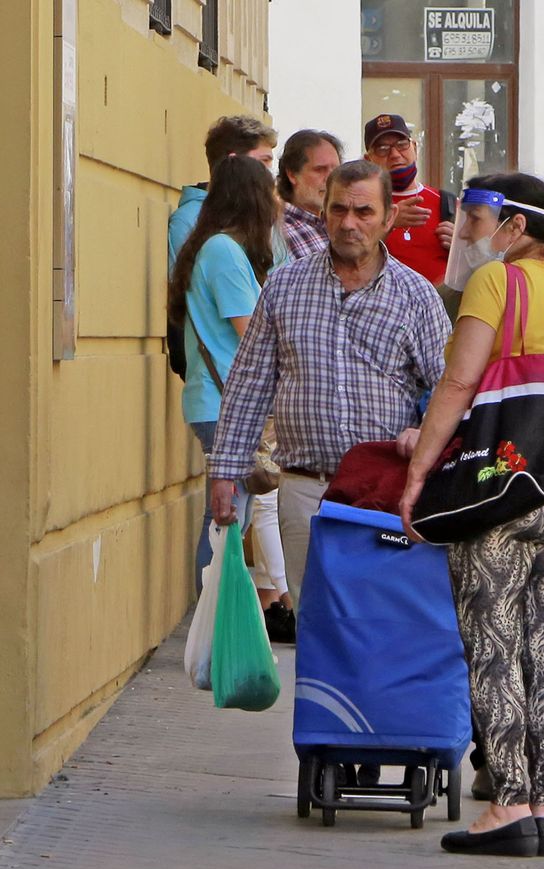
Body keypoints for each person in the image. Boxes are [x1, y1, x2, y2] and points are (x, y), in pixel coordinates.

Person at [399, 172, 544, 859]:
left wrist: (417, 476)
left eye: (477, 218)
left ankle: (508, 804)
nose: (470, 231)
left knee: (494, 641)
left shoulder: (498, 281)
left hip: (509, 474)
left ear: (515, 226)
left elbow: (459, 382)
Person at [210, 159, 450, 782]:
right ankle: (329, 740)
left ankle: (376, 740)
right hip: (305, 487)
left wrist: (424, 432)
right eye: (339, 209)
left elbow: (451, 390)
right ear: (323, 211)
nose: (350, 222)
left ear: (388, 218)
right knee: (318, 623)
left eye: (365, 211)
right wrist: (224, 474)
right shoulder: (285, 288)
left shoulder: (416, 296)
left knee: (379, 623)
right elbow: (249, 383)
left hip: (382, 496)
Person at [168, 154, 277, 593]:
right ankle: (213, 628)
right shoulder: (225, 252)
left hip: (218, 399)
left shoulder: (210, 245)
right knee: (224, 521)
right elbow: (253, 334)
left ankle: (216, 625)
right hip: (226, 403)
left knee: (231, 518)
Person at [170, 115, 278, 263]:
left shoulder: (259, 216)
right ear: (234, 162)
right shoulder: (187, 220)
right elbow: (183, 283)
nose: (270, 173)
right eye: (263, 161)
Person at [363, 114, 453, 286]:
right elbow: (349, 257)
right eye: (383, 148)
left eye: (402, 145)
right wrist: (388, 223)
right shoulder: (361, 206)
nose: (395, 154)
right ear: (369, 160)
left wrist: (461, 249)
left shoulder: (447, 202)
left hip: (439, 308)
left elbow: (476, 267)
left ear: (415, 148)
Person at [277, 128, 343, 258]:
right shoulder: (277, 233)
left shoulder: (342, 225)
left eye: (335, 170)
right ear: (292, 175)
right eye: (320, 170)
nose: (330, 178)